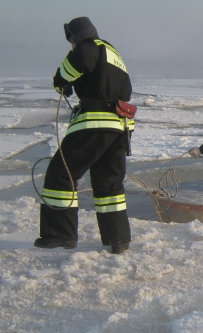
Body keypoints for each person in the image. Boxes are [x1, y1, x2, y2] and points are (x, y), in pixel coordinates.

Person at [36, 16, 135, 254]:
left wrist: (61, 80)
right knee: (109, 184)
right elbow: (127, 90)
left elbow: (75, 63)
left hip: (94, 123)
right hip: (119, 127)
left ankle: (60, 235)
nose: (71, 45)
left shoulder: (89, 47)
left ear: (77, 36)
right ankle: (117, 240)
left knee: (61, 174)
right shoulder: (115, 54)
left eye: (71, 40)